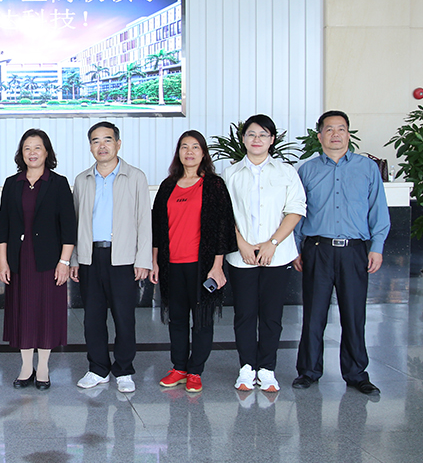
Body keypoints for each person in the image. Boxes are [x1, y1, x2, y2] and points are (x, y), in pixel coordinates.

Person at [292, 110, 390, 395]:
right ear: (319, 135)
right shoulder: (306, 170)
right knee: (313, 314)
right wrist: (296, 250)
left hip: (354, 251)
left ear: (348, 134)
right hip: (317, 250)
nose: (335, 134)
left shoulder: (367, 168)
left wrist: (377, 248)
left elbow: (378, 210)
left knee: (354, 314)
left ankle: (356, 373)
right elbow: (297, 212)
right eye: (329, 129)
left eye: (341, 129)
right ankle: (309, 370)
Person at [222, 114, 306, 393]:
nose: (256, 139)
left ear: (272, 139)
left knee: (272, 316)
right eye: (251, 134)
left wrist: (273, 243)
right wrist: (242, 244)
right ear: (243, 139)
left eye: (263, 134)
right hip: (241, 256)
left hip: (277, 254)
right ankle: (247, 367)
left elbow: (295, 209)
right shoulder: (231, 174)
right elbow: (224, 215)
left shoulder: (286, 172)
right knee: (245, 314)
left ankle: (267, 368)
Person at [150, 130, 237, 393]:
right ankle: (179, 368)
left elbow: (223, 226)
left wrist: (217, 265)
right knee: (176, 319)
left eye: (195, 147)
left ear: (203, 153)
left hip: (202, 266)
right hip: (171, 264)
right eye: (184, 147)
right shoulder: (168, 185)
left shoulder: (213, 185)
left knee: (202, 319)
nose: (189, 152)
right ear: (178, 152)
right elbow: (157, 227)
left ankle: (195, 371)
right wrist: (155, 261)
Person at [69, 122, 152, 394]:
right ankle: (98, 369)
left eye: (107, 140)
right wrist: (75, 259)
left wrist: (143, 260)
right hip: (90, 257)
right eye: (95, 141)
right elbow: (76, 223)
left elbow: (144, 220)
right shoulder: (82, 179)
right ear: (90, 146)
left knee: (124, 317)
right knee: (92, 317)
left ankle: (124, 370)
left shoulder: (135, 177)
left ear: (118, 143)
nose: (101, 146)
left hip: (123, 257)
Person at [0, 129, 77, 390]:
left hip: (49, 261)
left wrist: (64, 262)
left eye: (37, 147)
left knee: (46, 313)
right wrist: (3, 261)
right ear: (21, 153)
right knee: (23, 312)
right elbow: (3, 225)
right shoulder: (12, 183)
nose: (32, 153)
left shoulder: (58, 183)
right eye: (27, 148)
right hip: (19, 260)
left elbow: (68, 227)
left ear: (47, 152)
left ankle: (43, 367)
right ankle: (25, 366)